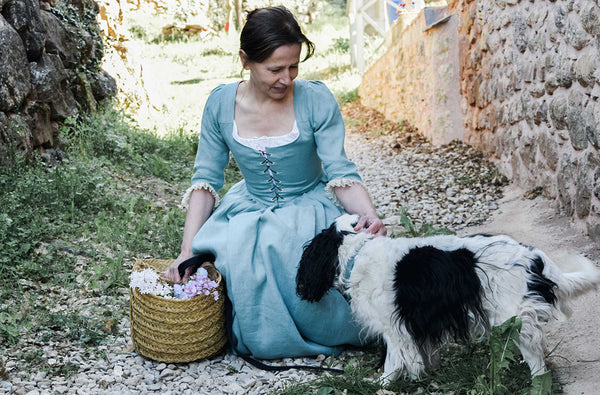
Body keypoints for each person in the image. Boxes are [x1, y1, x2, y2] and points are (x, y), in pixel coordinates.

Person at [164, 5, 386, 359]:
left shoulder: (315, 99)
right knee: (242, 249)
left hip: (308, 203)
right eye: (275, 69)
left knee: (290, 249)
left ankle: (324, 329)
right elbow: (206, 179)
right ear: (245, 60)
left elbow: (340, 172)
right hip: (249, 204)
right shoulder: (221, 105)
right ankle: (264, 333)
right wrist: (187, 249)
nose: (287, 78)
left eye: (294, 66)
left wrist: (370, 217)